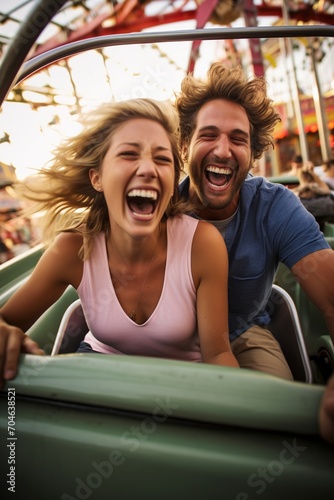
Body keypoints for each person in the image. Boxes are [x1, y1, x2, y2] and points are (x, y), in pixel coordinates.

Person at [0, 97, 239, 386]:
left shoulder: (202, 244)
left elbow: (217, 355)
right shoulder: (73, 249)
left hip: (180, 388)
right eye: (129, 154)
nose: (149, 169)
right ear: (97, 177)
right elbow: (8, 321)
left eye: (162, 159)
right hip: (101, 379)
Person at [175, 63, 334, 380]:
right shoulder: (157, 207)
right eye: (208, 135)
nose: (223, 150)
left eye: (238, 139)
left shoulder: (275, 207)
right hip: (165, 340)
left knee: (277, 411)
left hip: (242, 334)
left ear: (252, 154)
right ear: (183, 146)